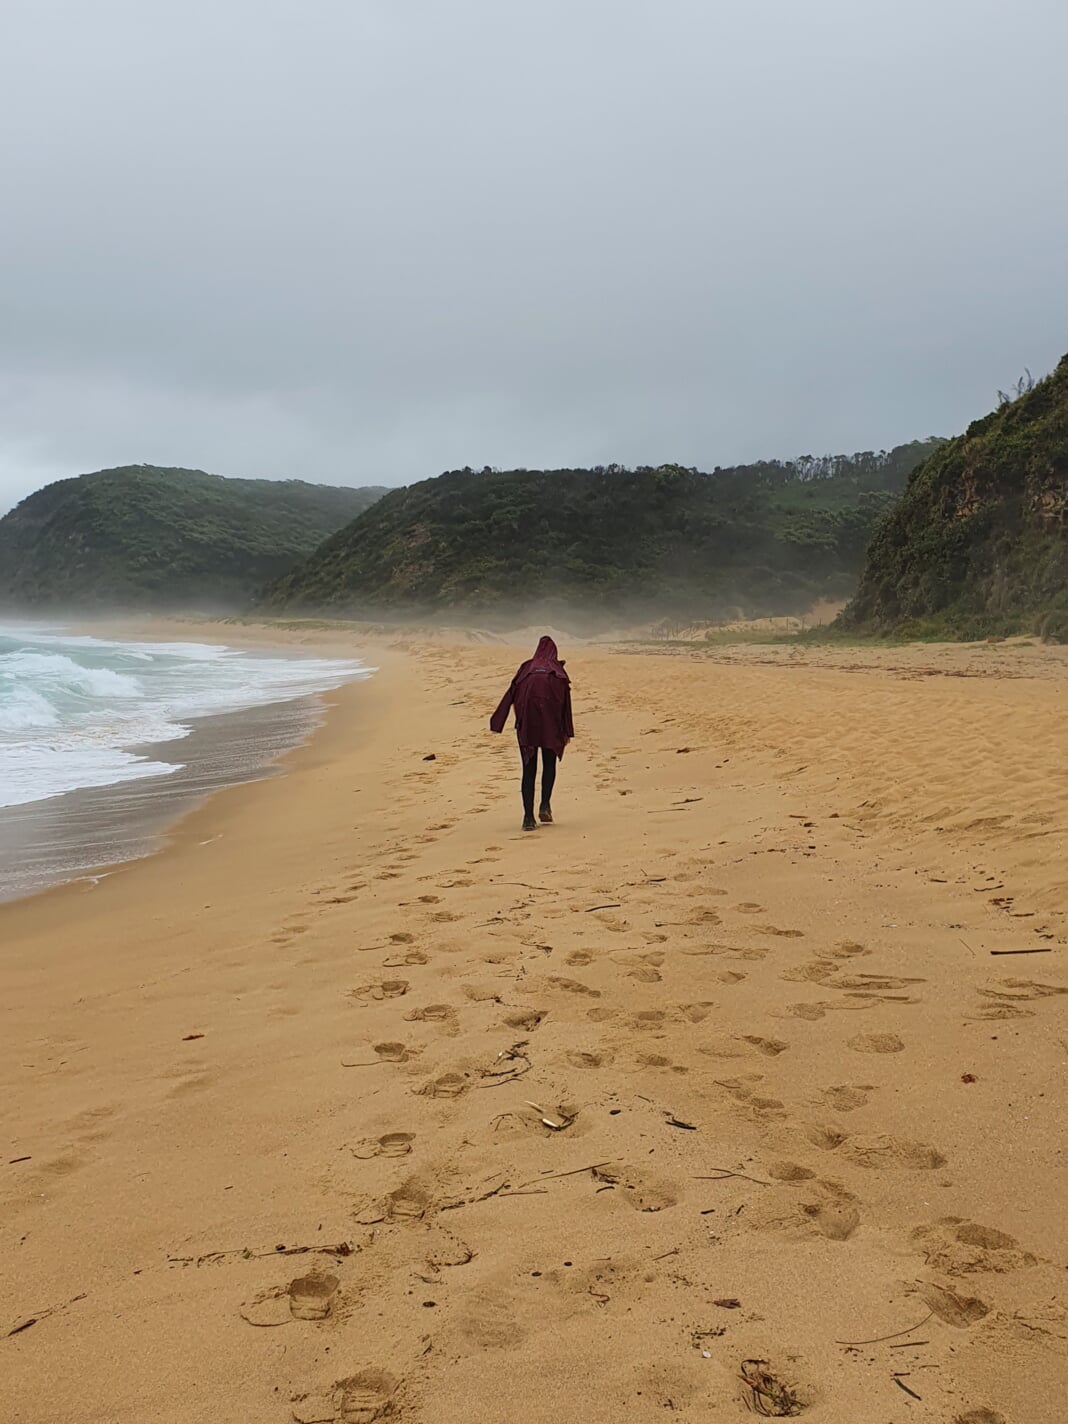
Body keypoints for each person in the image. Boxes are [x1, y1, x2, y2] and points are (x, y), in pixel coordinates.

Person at [490, 635, 574, 831]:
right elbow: (566, 705)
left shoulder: (526, 668)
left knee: (528, 770)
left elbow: (510, 694)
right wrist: (567, 732)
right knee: (549, 764)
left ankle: (528, 818)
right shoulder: (558, 672)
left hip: (527, 725)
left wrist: (497, 722)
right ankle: (545, 805)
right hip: (551, 726)